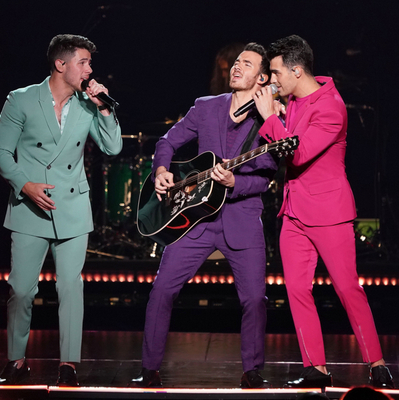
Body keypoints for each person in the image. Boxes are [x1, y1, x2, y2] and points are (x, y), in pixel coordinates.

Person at [129, 43, 278, 388]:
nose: (237, 66)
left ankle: (252, 370)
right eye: (237, 61)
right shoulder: (206, 106)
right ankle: (149, 369)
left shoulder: (268, 121)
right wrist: (161, 171)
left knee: (255, 300)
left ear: (262, 78)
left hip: (242, 220)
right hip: (196, 219)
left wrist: (235, 182)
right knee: (162, 290)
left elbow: (266, 179)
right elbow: (167, 142)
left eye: (247, 64)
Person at [252, 35, 394, 389]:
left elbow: (298, 154)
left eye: (276, 73)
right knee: (297, 290)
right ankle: (315, 367)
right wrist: (277, 114)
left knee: (347, 289)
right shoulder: (294, 100)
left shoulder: (331, 107)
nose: (272, 80)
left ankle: (376, 362)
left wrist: (269, 117)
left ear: (297, 71)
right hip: (294, 212)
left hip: (328, 211)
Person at [0, 34, 122, 386]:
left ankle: (69, 364)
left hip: (72, 206)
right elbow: (0, 152)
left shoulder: (87, 104)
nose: (90, 70)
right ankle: (16, 360)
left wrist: (104, 108)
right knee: (21, 290)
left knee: (70, 287)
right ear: (60, 64)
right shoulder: (21, 99)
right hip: (30, 207)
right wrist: (25, 185)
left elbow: (112, 147)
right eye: (84, 62)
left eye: (90, 63)